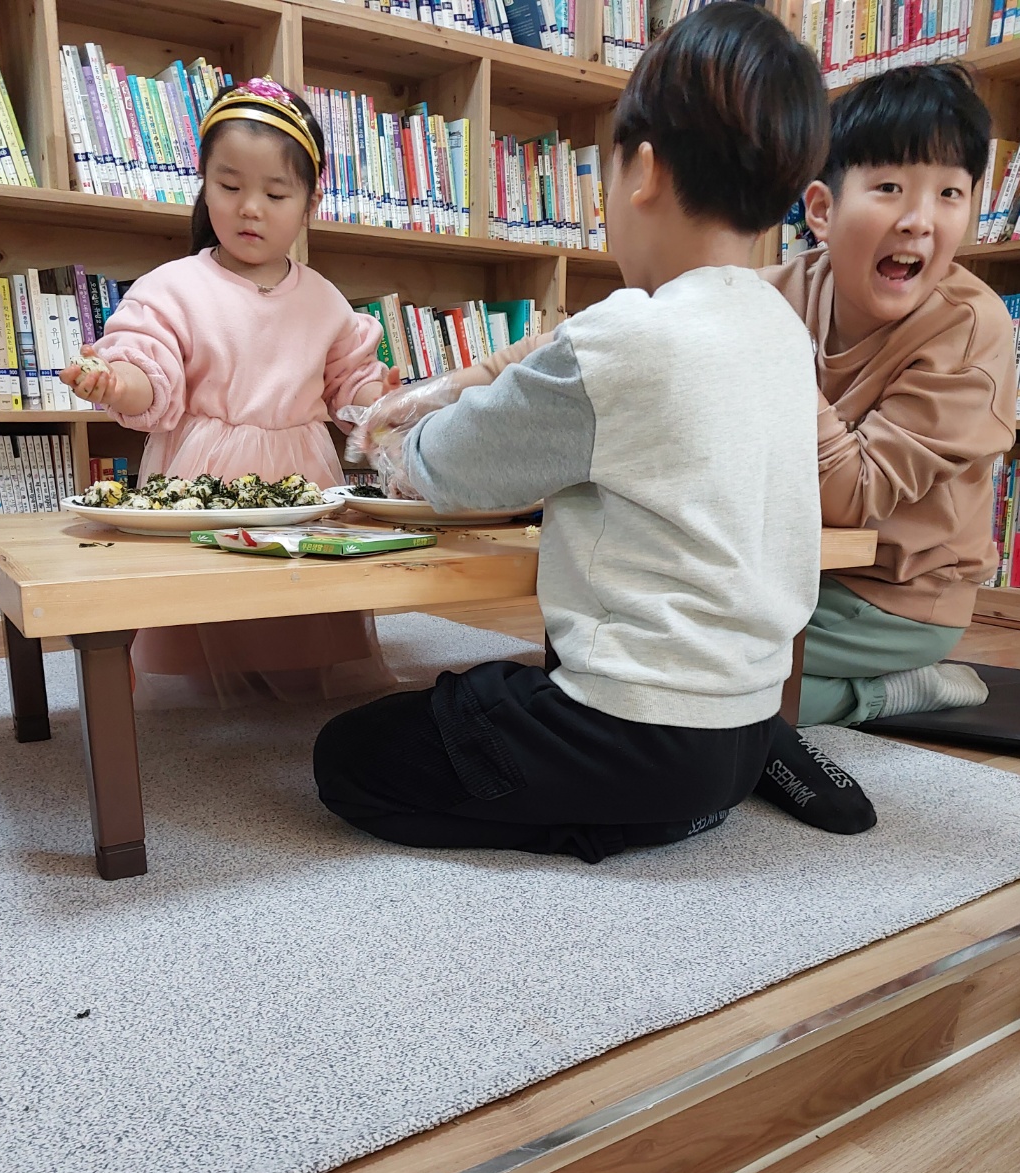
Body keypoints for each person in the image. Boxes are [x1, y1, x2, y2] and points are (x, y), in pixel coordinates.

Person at [313, 2, 843, 864]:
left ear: (643, 171)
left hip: (633, 731)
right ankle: (690, 796)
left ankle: (621, 819)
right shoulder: (781, 331)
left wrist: (390, 437)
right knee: (494, 693)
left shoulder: (628, 334)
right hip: (748, 718)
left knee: (349, 754)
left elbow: (448, 470)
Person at [60, 78, 398, 705]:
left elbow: (351, 385)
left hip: (301, 479)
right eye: (230, 186)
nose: (250, 208)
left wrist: (383, 399)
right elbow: (147, 373)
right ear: (204, 184)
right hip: (202, 476)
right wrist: (114, 381)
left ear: (309, 201)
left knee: (299, 618)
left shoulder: (324, 298)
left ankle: (298, 674)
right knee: (200, 615)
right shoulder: (172, 287)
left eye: (276, 193)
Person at [760, 64, 1017, 727]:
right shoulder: (783, 288)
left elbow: (850, 495)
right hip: (791, 566)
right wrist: (487, 374)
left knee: (729, 683)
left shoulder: (969, 328)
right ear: (822, 210)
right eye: (889, 188)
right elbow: (645, 325)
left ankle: (887, 692)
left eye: (949, 194)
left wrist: (776, 361)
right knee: (654, 632)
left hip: (897, 599)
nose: (918, 221)